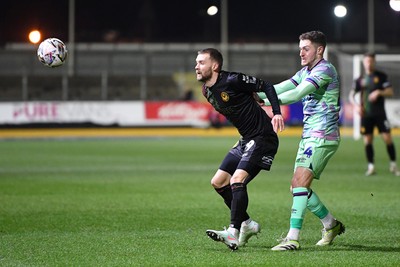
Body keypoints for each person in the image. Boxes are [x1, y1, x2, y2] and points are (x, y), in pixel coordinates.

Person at [257, 31, 345, 250]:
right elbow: (280, 87)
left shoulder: (325, 69)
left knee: (300, 183)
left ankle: (292, 238)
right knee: (297, 187)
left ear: (320, 49)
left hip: (323, 134)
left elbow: (296, 94)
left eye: (306, 48)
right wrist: (256, 94)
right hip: (309, 135)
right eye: (300, 48)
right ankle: (330, 224)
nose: (301, 53)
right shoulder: (306, 71)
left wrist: (265, 103)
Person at [195, 48, 285, 250]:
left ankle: (233, 232)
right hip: (246, 140)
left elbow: (266, 86)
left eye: (201, 62)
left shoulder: (233, 79)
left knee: (237, 179)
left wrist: (276, 113)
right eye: (196, 62)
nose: (197, 66)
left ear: (215, 66)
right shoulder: (206, 91)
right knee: (218, 182)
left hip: (263, 137)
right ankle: (248, 224)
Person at [349, 52, 400, 176]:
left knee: (387, 139)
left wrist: (379, 92)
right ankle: (371, 166)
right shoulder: (360, 79)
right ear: (364, 62)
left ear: (374, 62)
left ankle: (393, 165)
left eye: (371, 61)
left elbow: (390, 91)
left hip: (380, 114)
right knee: (368, 140)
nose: (369, 63)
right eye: (367, 61)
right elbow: (352, 95)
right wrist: (356, 105)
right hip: (366, 114)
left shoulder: (381, 76)